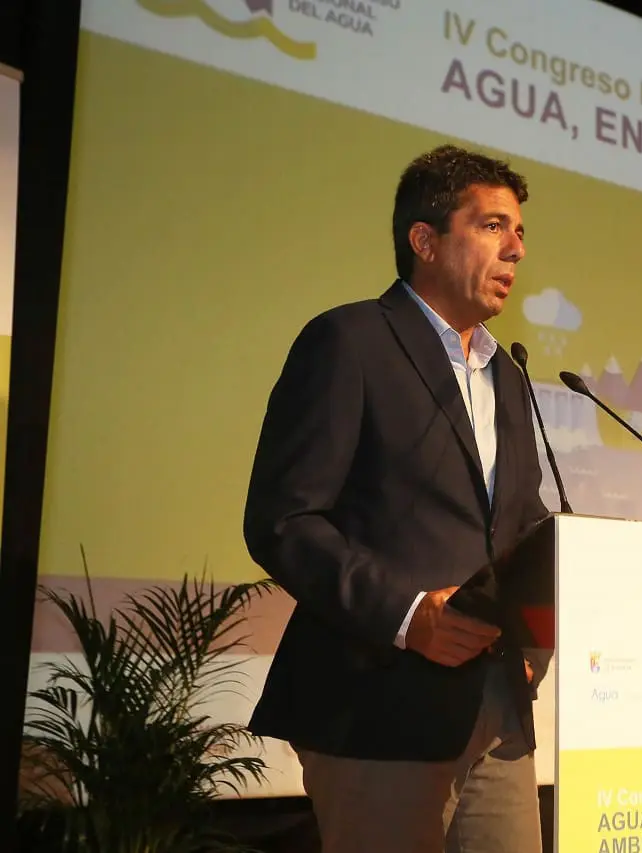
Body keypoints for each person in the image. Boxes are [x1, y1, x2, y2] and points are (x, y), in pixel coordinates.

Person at [242, 144, 550, 853]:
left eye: (519, 232)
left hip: (497, 709)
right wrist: (409, 615)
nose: (516, 249)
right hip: (376, 702)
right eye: (493, 226)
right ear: (425, 240)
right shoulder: (349, 341)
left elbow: (521, 524)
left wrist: (534, 633)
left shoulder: (506, 375)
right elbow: (284, 520)